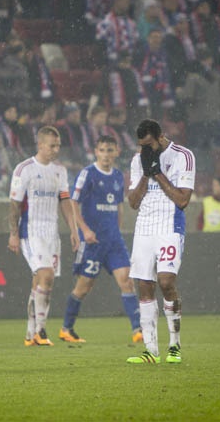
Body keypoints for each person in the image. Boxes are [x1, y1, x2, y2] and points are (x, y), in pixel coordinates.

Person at [60, 135, 143, 344]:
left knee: (127, 281)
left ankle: (138, 330)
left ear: (117, 152)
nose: (106, 154)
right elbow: (73, 203)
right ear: (96, 151)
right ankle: (66, 328)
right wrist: (85, 230)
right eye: (102, 150)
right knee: (84, 286)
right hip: (92, 243)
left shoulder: (117, 176)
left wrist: (117, 228)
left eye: (110, 150)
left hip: (113, 241)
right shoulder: (87, 174)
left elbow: (119, 205)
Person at [126, 118, 195, 365]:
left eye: (148, 144)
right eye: (141, 145)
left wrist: (158, 173)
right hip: (144, 227)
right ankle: (150, 350)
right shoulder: (137, 160)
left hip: (169, 225)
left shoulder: (183, 156)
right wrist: (146, 173)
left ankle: (174, 345)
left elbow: (182, 200)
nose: (145, 149)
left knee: (166, 283)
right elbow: (133, 202)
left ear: (160, 137)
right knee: (144, 286)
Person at [8, 125, 79, 347]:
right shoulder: (24, 169)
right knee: (46, 275)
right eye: (52, 145)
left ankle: (30, 335)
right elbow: (14, 205)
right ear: (40, 145)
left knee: (40, 281)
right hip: (31, 231)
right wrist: (13, 234)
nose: (56, 149)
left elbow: (65, 201)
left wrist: (74, 229)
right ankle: (40, 330)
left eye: (58, 145)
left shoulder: (60, 171)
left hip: (52, 233)